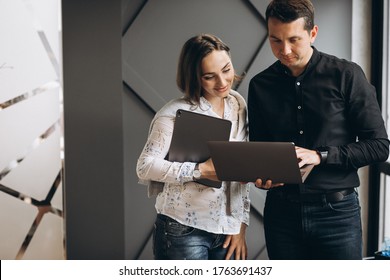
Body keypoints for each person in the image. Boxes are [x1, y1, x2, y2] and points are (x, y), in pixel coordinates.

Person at [248, 0, 390, 260]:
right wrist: (262, 177)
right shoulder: (260, 86)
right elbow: (261, 150)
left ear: (313, 33)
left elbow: (379, 146)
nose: (284, 49)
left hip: (337, 215)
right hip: (281, 216)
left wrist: (319, 155)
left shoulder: (347, 75)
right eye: (275, 40)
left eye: (294, 39)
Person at [136, 34, 250, 260]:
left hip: (227, 232)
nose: (222, 82)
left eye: (226, 70)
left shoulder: (238, 104)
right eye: (209, 77)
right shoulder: (173, 114)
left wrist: (240, 226)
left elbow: (240, 168)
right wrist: (199, 170)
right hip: (182, 231)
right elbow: (144, 167)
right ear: (194, 77)